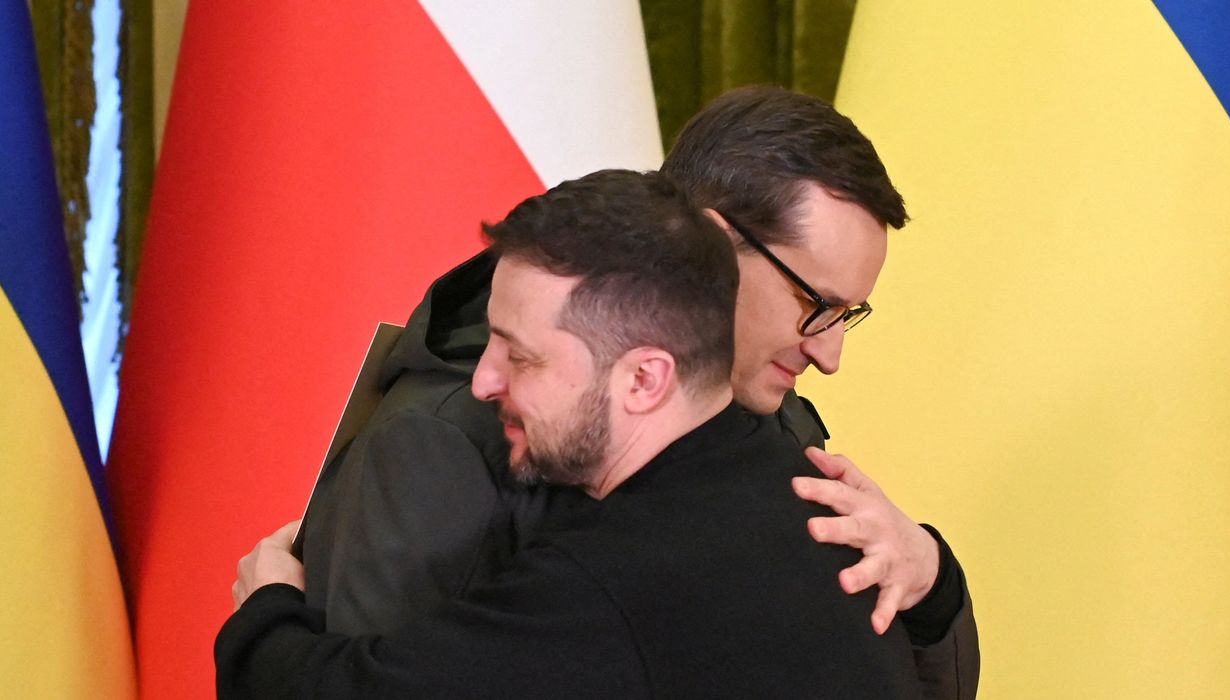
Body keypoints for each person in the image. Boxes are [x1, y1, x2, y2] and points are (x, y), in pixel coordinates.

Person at [300, 86, 978, 696]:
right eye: (816, 304)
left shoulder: (770, 425)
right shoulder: (440, 442)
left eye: (846, 314)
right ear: (713, 243)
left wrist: (929, 583)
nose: (829, 354)